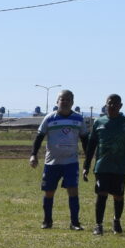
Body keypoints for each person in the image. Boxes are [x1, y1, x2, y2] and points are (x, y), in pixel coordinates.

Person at [30, 88, 91, 229]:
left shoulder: (78, 119)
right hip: (52, 163)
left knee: (73, 190)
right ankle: (47, 221)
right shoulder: (49, 118)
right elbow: (39, 137)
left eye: (68, 99)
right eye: (62, 99)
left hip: (71, 162)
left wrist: (87, 159)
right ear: (57, 101)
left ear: (72, 102)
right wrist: (33, 154)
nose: (65, 102)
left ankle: (74, 223)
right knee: (49, 192)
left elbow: (85, 139)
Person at [84, 93, 125, 235]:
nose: (113, 106)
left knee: (118, 195)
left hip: (119, 167)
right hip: (102, 166)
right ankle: (98, 225)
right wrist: (86, 166)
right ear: (106, 105)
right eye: (110, 103)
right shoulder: (98, 122)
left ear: (121, 106)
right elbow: (91, 146)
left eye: (116, 103)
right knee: (101, 194)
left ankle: (116, 220)